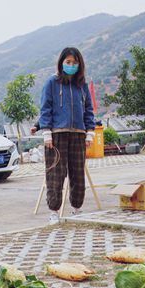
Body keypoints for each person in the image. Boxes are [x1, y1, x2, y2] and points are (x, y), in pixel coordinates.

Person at [38, 47, 95, 223]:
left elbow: (88, 110)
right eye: (68, 62)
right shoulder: (52, 83)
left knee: (77, 174)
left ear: (80, 64)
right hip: (57, 135)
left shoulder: (82, 85)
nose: (71, 65)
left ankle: (77, 209)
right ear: (61, 63)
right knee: (56, 174)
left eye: (75, 63)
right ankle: (54, 212)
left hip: (78, 134)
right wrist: (46, 132)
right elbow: (45, 108)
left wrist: (90, 132)